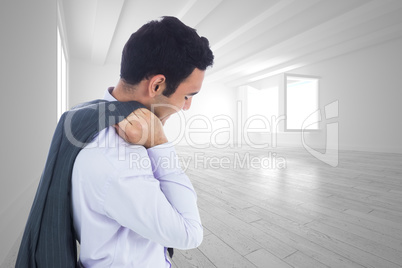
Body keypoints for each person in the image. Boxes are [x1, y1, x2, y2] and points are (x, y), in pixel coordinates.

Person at [71, 16, 214, 267]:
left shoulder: (89, 114)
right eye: (188, 96)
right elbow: (191, 233)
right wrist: (160, 142)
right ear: (157, 84)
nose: (187, 107)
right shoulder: (118, 161)